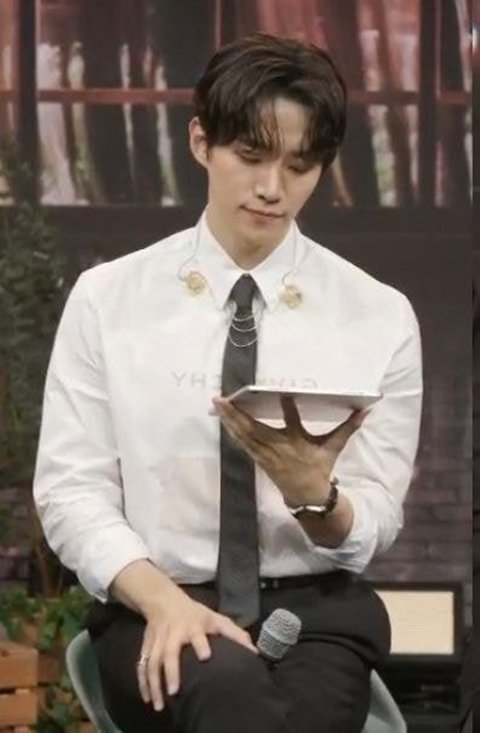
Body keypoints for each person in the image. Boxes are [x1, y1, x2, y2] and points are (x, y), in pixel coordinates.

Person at [33, 33, 422, 733]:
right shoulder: (108, 299)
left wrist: (317, 498)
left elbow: (375, 520)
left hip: (316, 615)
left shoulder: (378, 314)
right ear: (200, 142)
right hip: (154, 600)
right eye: (251, 156)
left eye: (300, 166)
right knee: (228, 692)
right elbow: (70, 491)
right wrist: (162, 601)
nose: (273, 188)